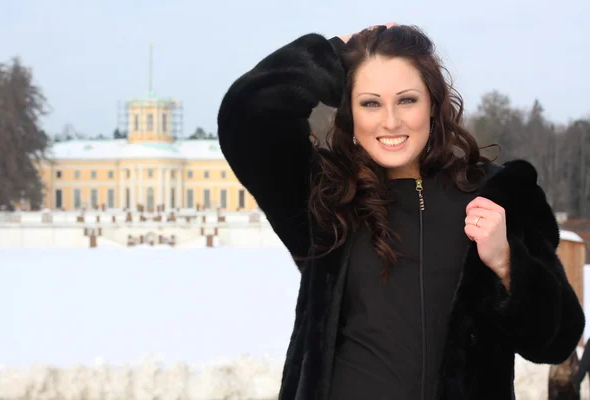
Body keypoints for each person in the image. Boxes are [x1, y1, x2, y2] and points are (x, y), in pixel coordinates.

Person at [217, 23, 585, 400]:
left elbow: (557, 341)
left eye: (407, 100)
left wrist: (508, 264)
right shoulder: (324, 195)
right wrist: (332, 55)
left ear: (432, 102)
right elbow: (246, 116)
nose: (390, 121)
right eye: (370, 102)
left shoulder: (500, 195)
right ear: (351, 113)